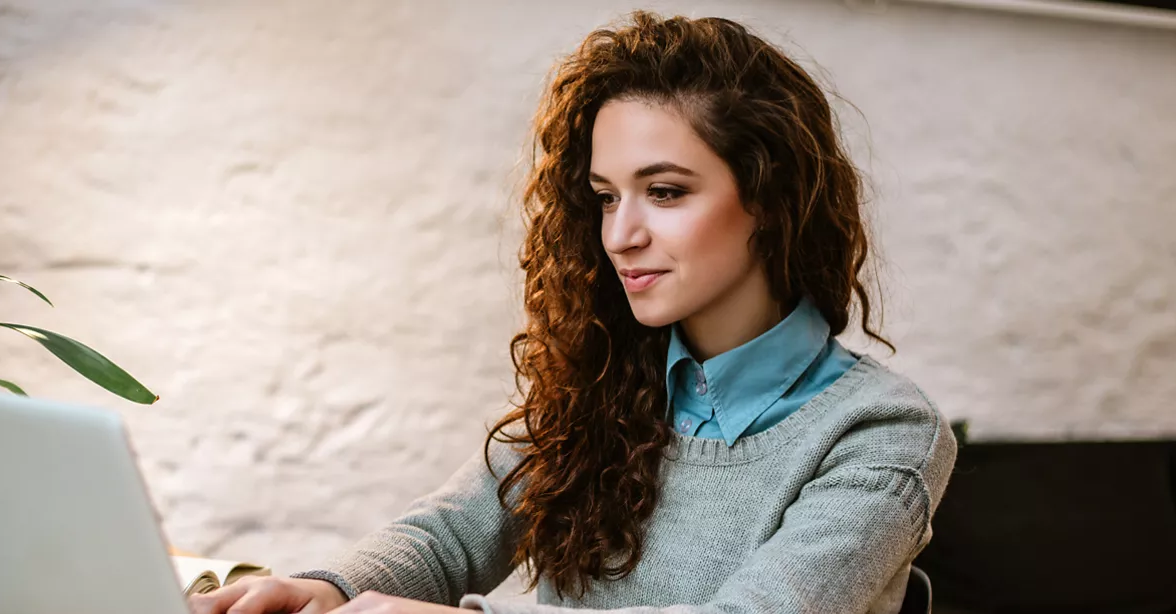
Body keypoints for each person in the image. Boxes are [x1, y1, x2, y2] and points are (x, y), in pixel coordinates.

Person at [191, 11, 956, 614]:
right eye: (604, 196)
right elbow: (450, 537)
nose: (621, 235)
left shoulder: (881, 432)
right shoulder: (607, 380)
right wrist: (329, 588)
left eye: (665, 192)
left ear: (768, 199)